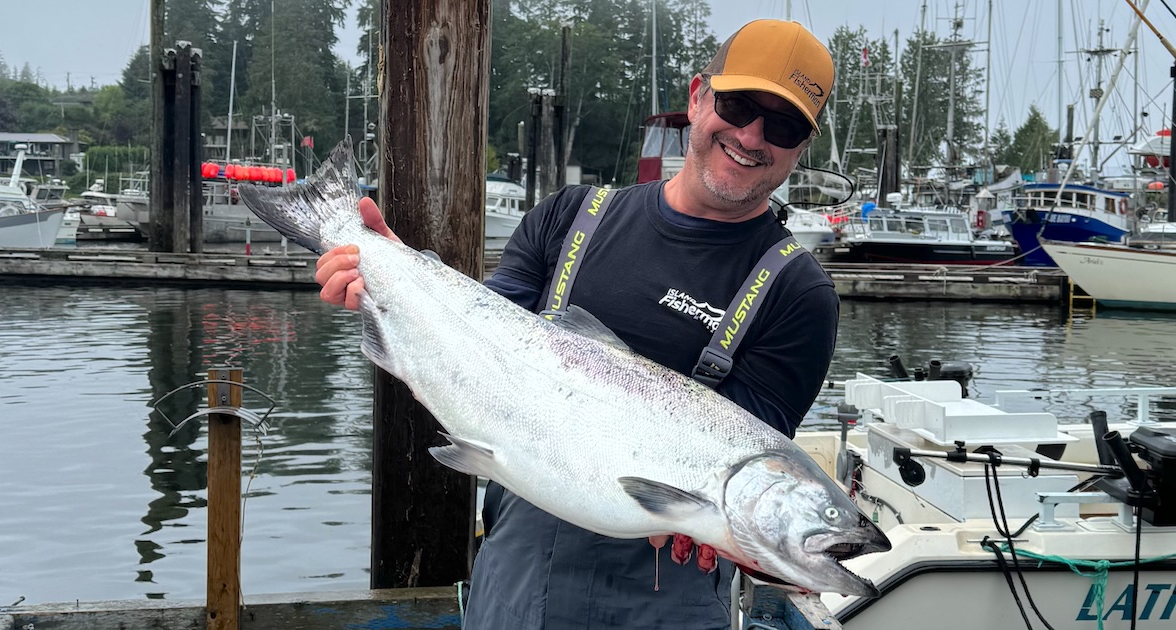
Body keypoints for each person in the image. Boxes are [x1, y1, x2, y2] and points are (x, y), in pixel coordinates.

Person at [316, 18, 839, 630]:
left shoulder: (799, 294)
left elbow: (750, 464)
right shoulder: (568, 218)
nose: (751, 135)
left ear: (802, 146)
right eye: (740, 104)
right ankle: (325, 211)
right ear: (698, 97)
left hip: (666, 600)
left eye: (782, 125)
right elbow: (476, 346)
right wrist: (394, 279)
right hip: (513, 580)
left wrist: (749, 547)